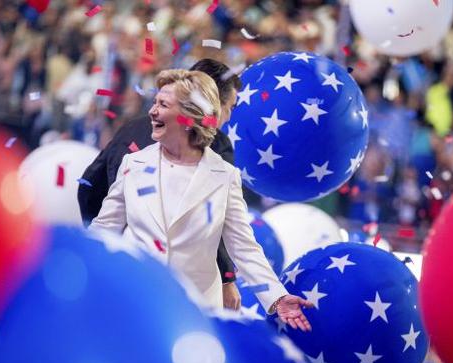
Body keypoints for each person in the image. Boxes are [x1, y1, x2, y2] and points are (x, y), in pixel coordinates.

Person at [89, 69, 313, 330]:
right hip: (134, 306)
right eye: (154, 102)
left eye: (163, 104)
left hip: (195, 318)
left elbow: (243, 247)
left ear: (188, 117)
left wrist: (277, 297)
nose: (152, 111)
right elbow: (104, 231)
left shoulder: (224, 175)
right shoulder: (133, 163)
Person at [79, 59, 241, 310]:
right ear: (210, 105)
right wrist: (227, 279)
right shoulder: (216, 144)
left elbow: (89, 185)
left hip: (131, 279)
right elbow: (215, 225)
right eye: (230, 107)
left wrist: (108, 244)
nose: (228, 117)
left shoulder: (132, 126)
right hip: (179, 296)